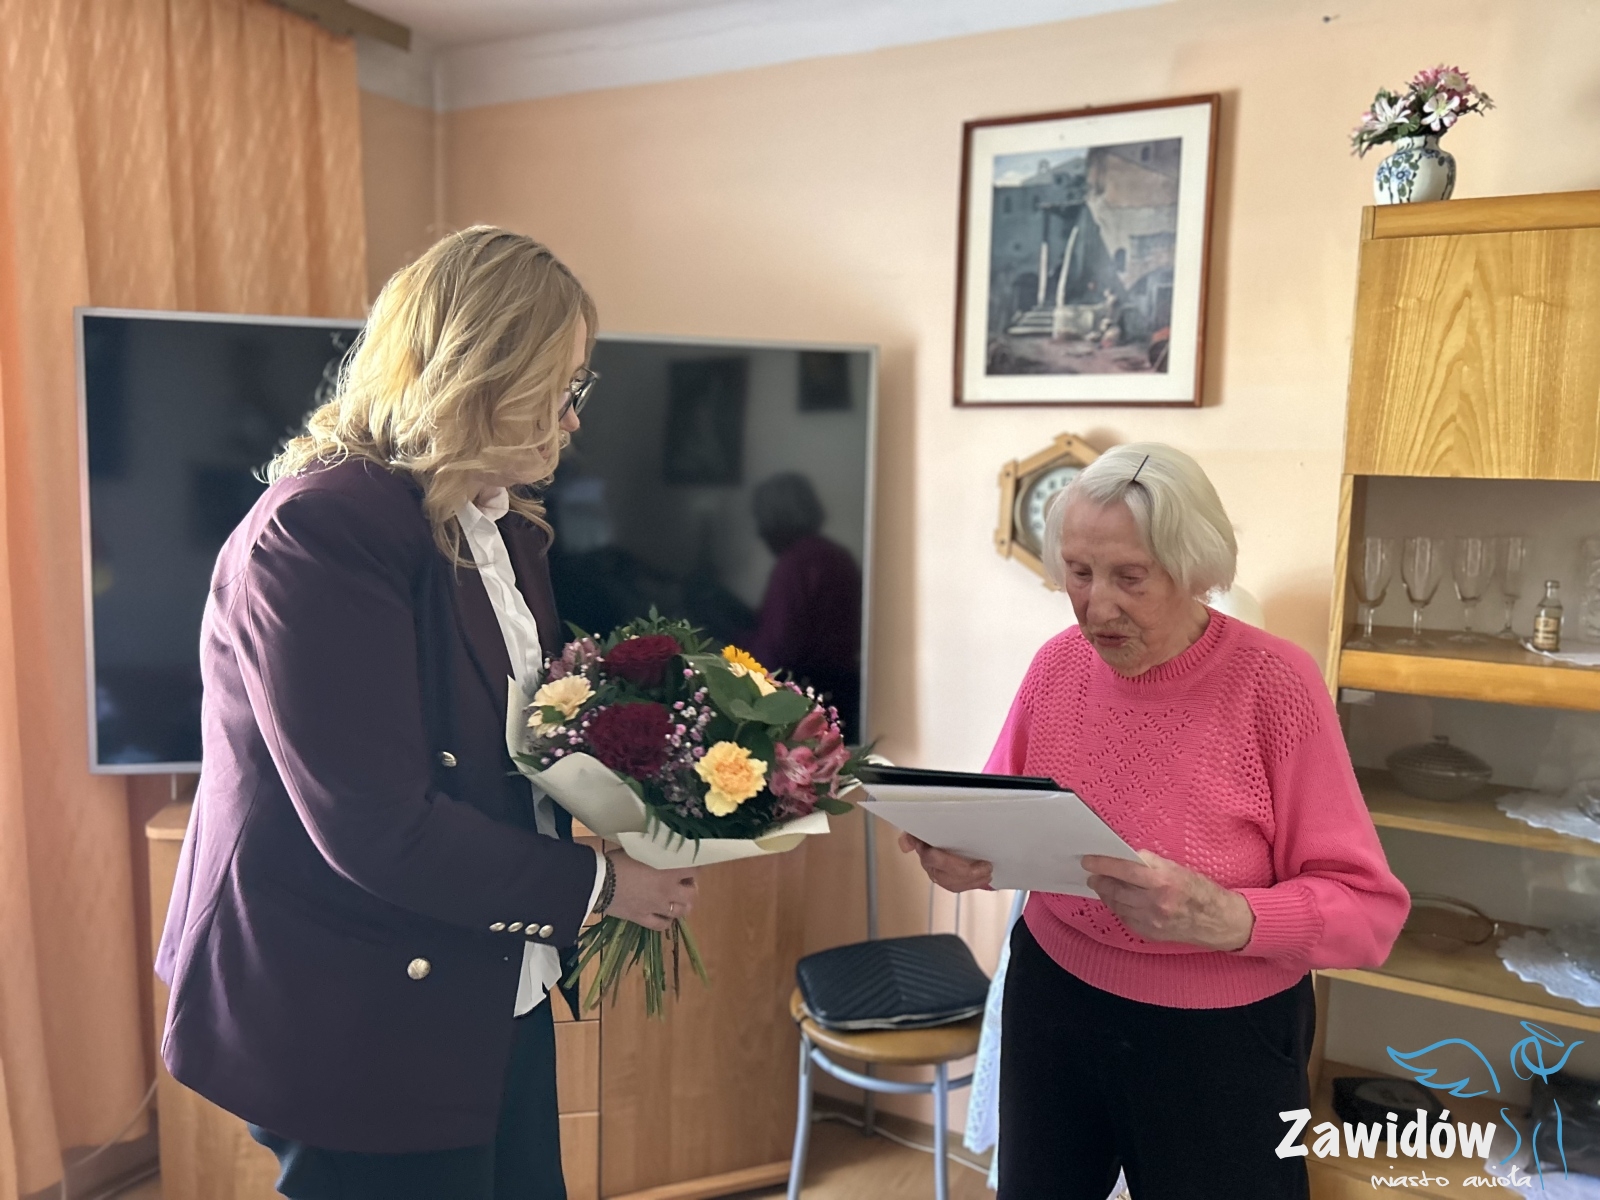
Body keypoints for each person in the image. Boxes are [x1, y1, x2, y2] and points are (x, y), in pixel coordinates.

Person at [155, 228, 700, 1200]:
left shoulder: (504, 526)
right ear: (477, 374)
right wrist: (604, 885)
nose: (572, 418)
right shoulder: (319, 531)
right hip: (356, 1004)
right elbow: (376, 826)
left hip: (486, 968)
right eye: (558, 387)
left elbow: (509, 744)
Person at [899, 442, 1408, 1199]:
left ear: (1194, 568)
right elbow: (999, 810)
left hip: (1220, 1038)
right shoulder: (1056, 665)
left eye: (1128, 577)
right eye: (1078, 572)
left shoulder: (1276, 685)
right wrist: (960, 855)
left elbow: (1369, 912)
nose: (1096, 605)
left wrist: (1227, 917)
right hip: (1054, 996)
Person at [746, 472, 862, 739]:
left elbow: (777, 650)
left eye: (762, 520)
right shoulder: (839, 556)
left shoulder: (794, 565)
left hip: (806, 699)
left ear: (777, 519)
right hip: (846, 690)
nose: (760, 533)